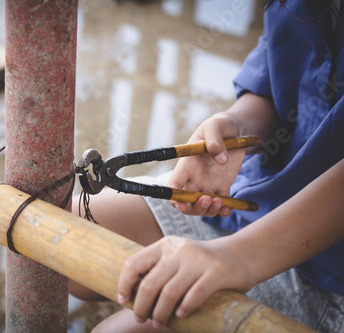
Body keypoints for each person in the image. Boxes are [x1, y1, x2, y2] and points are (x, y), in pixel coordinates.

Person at [69, 1, 344, 332]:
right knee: (68, 232)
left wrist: (239, 257)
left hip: (331, 270)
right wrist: (236, 125)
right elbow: (273, 84)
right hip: (264, 194)